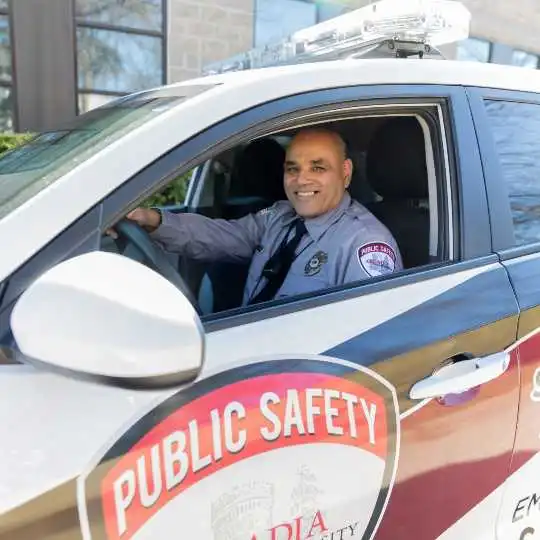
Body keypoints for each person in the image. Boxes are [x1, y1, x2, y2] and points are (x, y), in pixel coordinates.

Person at [118, 128, 403, 306]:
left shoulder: (364, 245)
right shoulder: (279, 217)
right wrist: (150, 219)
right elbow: (219, 237)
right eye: (292, 169)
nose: (301, 180)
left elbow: (365, 341)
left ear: (346, 172)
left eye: (317, 168)